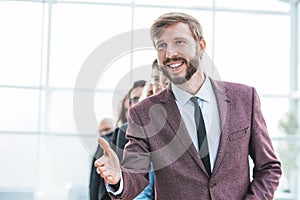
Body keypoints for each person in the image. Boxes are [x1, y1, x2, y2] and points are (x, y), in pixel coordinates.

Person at [95, 12, 282, 199]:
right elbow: (135, 175)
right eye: (162, 46)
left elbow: (268, 167)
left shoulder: (244, 99)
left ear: (201, 46)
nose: (170, 54)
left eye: (179, 42)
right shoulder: (143, 113)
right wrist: (118, 180)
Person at [89, 118, 115, 200]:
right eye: (101, 131)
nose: (104, 133)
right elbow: (94, 181)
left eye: (107, 129)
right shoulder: (100, 148)